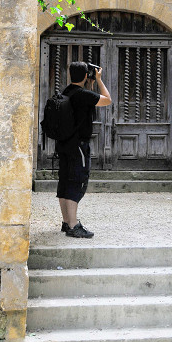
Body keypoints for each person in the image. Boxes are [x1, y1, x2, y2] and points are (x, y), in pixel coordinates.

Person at [56, 61, 112, 238]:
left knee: (65, 181)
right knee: (76, 181)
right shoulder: (83, 95)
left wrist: (90, 84)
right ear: (86, 75)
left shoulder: (66, 92)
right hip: (78, 146)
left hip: (63, 144)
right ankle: (74, 226)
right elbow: (107, 100)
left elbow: (85, 102)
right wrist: (99, 80)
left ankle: (66, 222)